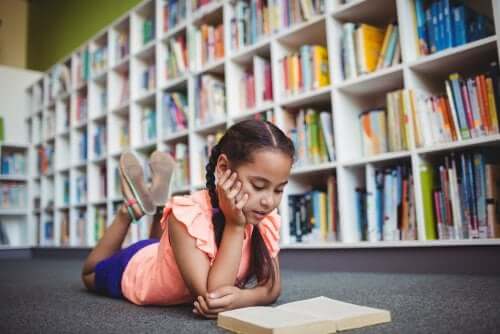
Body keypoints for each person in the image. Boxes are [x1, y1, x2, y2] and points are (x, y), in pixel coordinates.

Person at [81, 119, 295, 319]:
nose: (268, 201)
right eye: (258, 186)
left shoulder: (264, 219)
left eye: (278, 190)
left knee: (163, 247)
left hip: (170, 253)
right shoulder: (187, 215)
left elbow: (272, 287)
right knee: (91, 275)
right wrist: (235, 226)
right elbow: (214, 294)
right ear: (223, 169)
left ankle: (157, 207)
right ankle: (128, 211)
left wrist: (242, 298)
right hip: (139, 267)